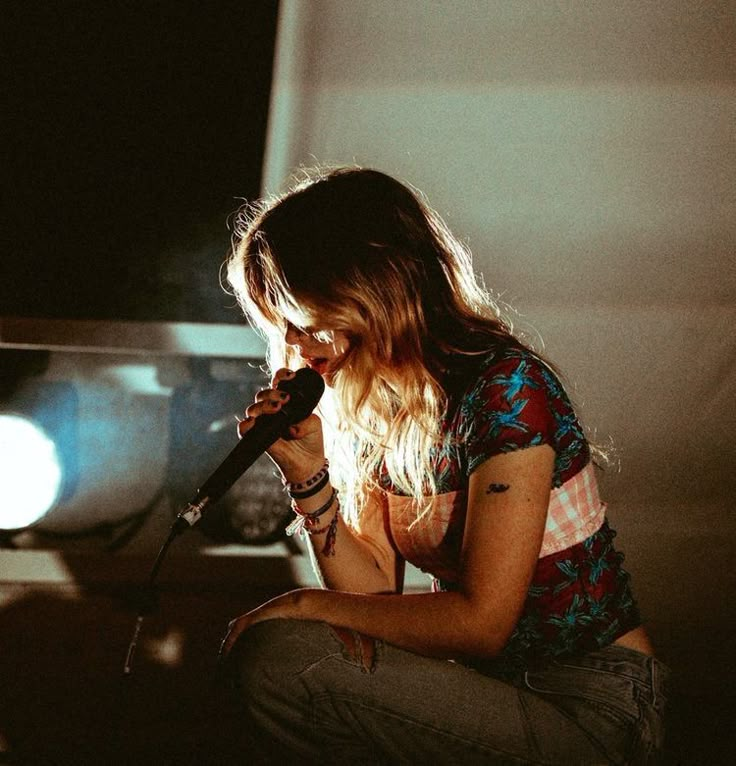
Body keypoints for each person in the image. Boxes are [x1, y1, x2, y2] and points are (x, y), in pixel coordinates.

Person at [219, 166, 669, 764]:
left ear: (371, 288)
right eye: (284, 325)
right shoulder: (384, 409)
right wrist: (307, 475)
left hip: (590, 704)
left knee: (284, 658)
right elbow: (374, 593)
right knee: (283, 659)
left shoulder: (506, 388)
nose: (298, 344)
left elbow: (483, 623)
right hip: (492, 687)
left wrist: (302, 605)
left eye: (306, 318)